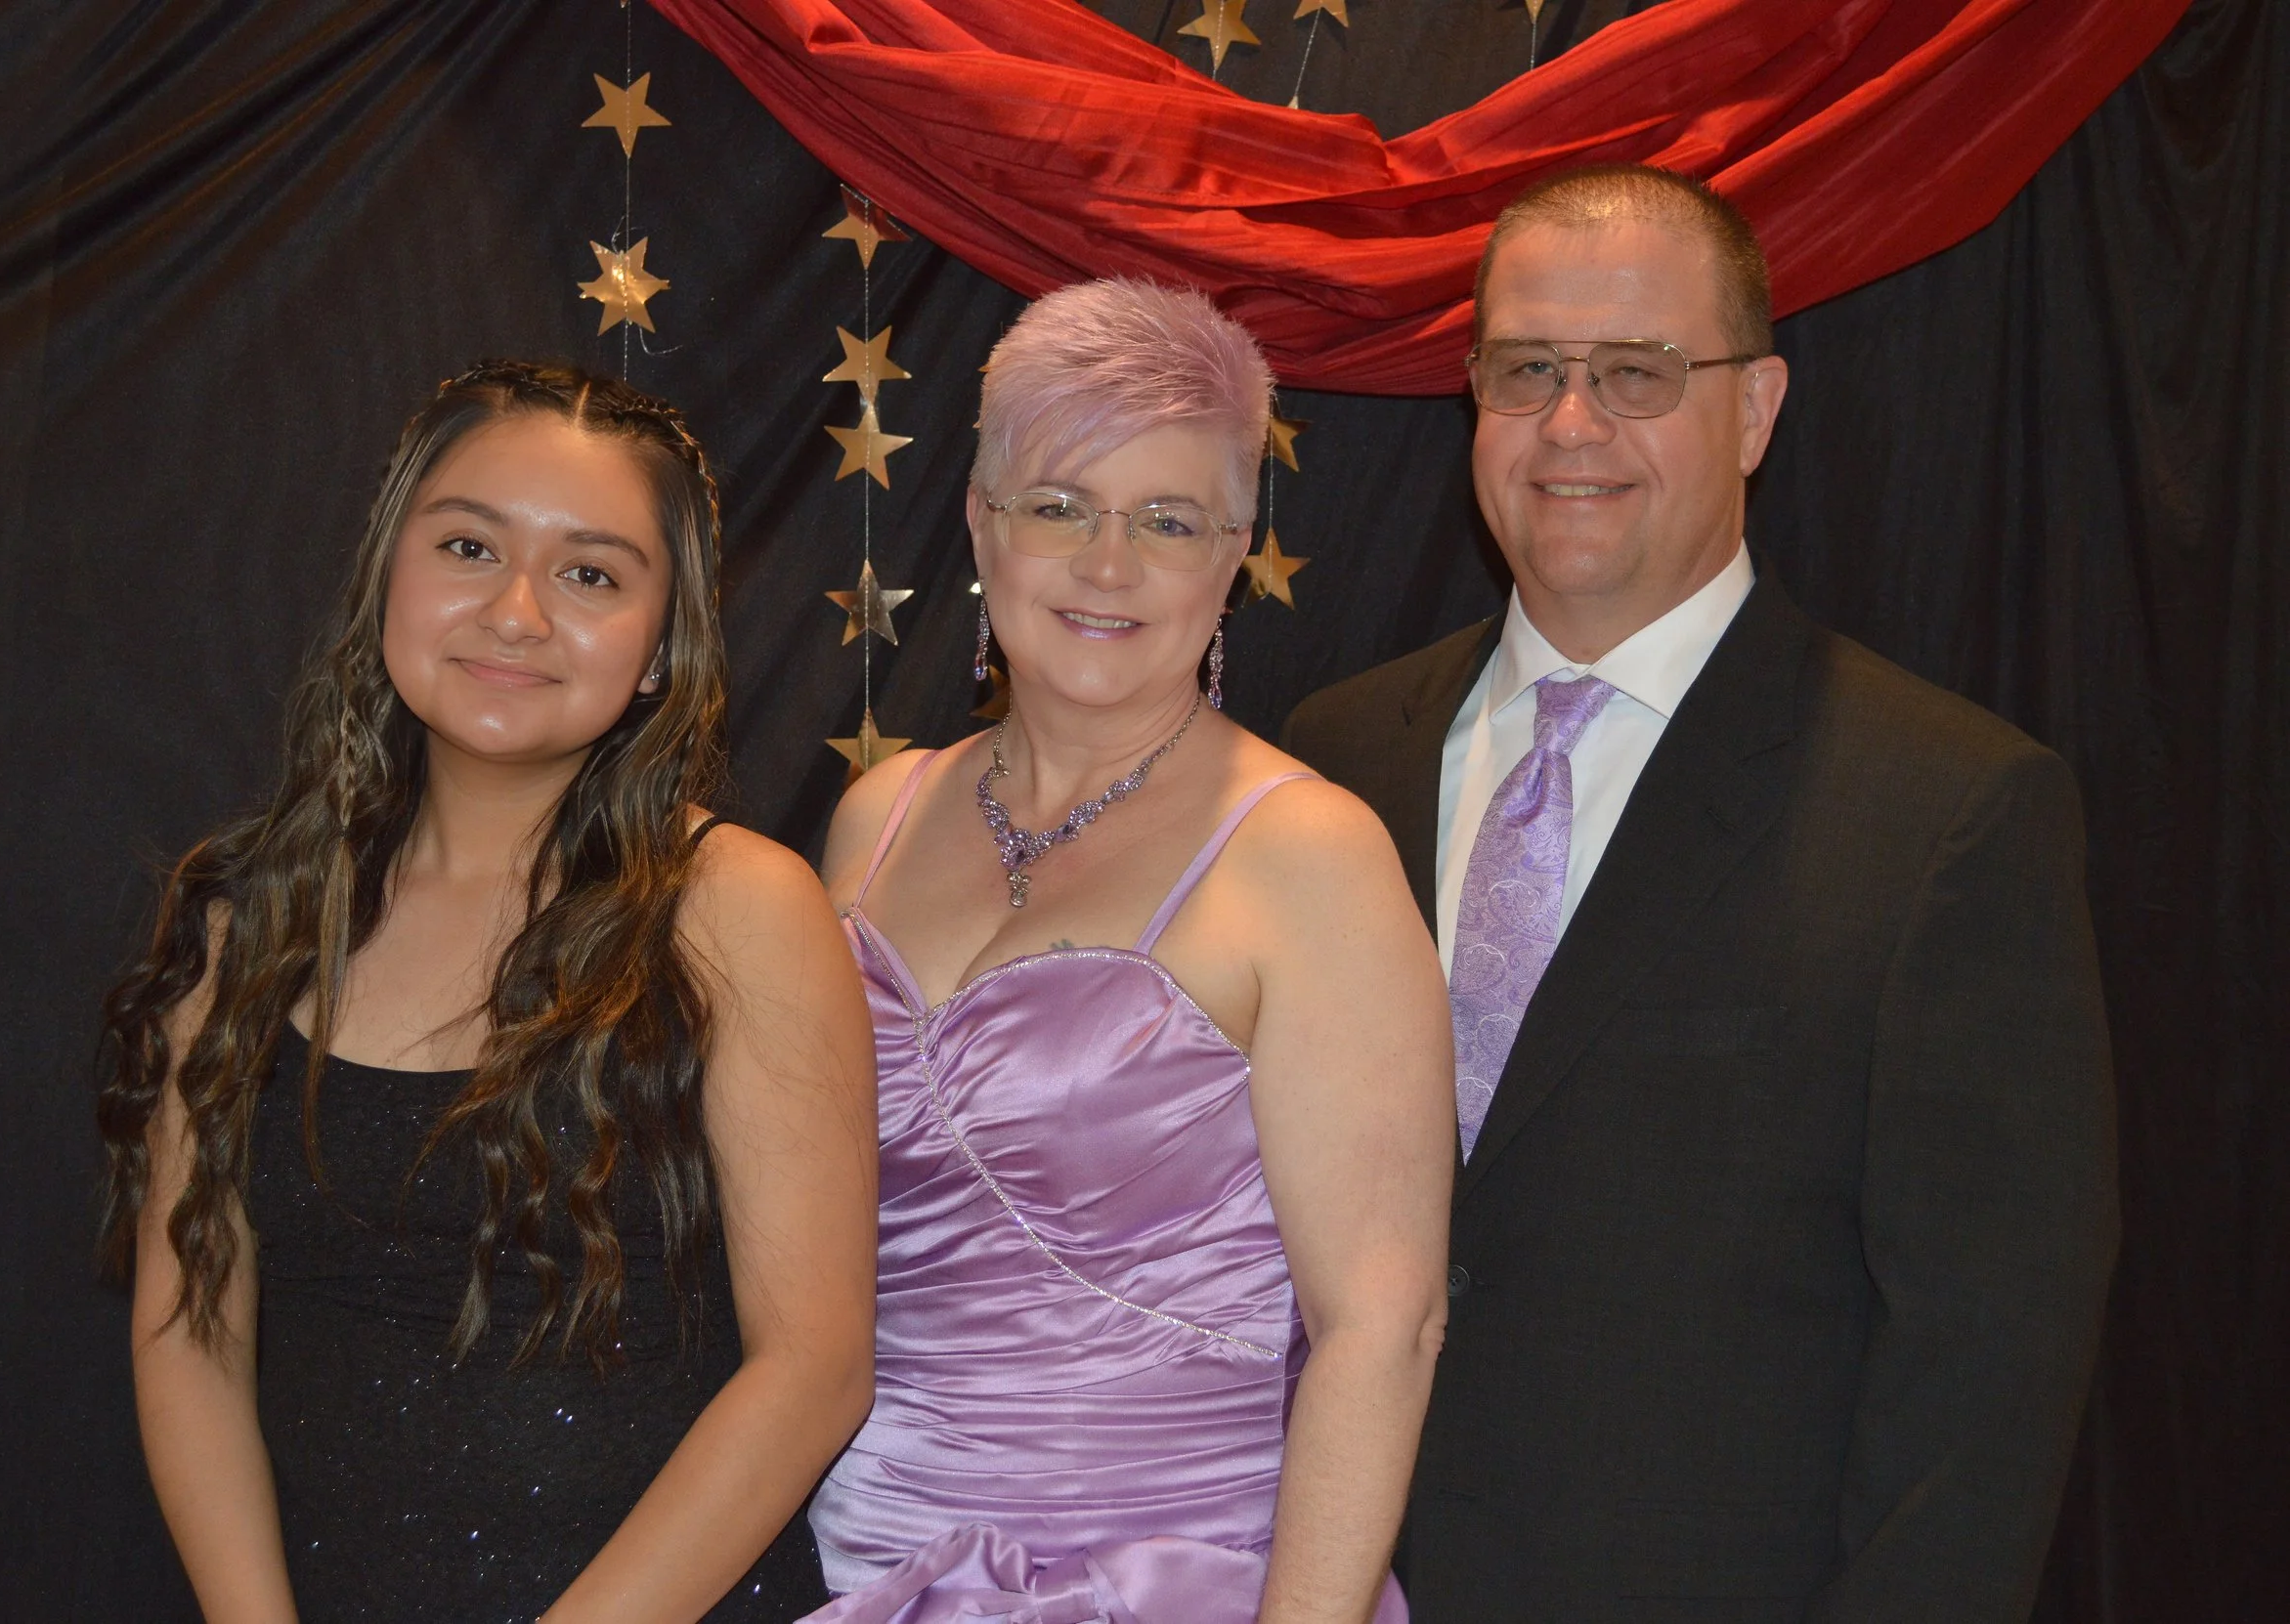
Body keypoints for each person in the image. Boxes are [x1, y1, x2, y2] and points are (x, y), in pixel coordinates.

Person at [1284, 165, 2119, 1620]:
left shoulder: (1944, 812)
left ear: (1757, 409)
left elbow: (1985, 1386)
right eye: (1526, 367)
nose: (1571, 423)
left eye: (1639, 372)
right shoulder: (1333, 765)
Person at [96, 361, 879, 1624]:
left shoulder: (735, 905)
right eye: (469, 545)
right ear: (387, 576)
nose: (516, 612)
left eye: (590, 573)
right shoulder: (253, 921)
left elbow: (815, 1367)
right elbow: (188, 1326)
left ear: (657, 646)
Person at [805, 279, 1454, 1624]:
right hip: (854, 1576)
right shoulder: (875, 820)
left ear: (1233, 555)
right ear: (982, 522)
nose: (1110, 567)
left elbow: (1381, 1330)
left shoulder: (1306, 854)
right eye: (1059, 506)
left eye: (1168, 522)